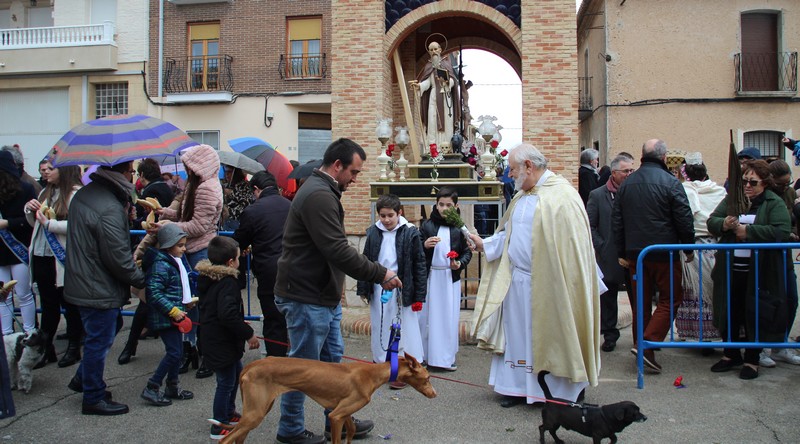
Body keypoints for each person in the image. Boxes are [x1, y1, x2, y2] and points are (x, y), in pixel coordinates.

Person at [273, 138, 401, 444]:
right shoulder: (319, 195)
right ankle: (290, 429)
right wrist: (379, 273)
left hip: (320, 296)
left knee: (331, 366)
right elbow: (337, 249)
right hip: (306, 296)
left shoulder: (324, 191)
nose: (355, 180)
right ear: (337, 165)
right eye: (353, 173)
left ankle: (339, 419)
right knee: (303, 369)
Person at [470, 143, 601, 408]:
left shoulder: (562, 196)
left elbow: (575, 247)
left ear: (529, 166)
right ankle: (518, 388)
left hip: (553, 285)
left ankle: (565, 389)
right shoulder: (521, 196)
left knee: (557, 336)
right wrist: (485, 244)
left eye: (513, 169)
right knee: (518, 337)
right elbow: (509, 235)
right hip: (518, 282)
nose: (509, 175)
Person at [64, 160, 146, 416]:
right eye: (131, 171)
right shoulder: (108, 206)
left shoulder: (88, 194)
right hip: (96, 284)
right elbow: (119, 258)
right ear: (121, 173)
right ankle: (93, 396)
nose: (133, 176)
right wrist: (143, 280)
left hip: (83, 278)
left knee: (111, 328)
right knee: (99, 340)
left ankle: (85, 379)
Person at [137, 144, 223, 379]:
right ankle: (191, 348)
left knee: (201, 305)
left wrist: (169, 226)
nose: (185, 170)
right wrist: (165, 212)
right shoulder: (198, 186)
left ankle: (206, 354)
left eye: (189, 165)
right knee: (190, 303)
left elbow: (198, 226)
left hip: (199, 252)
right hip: (191, 250)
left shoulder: (206, 188)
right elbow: (188, 214)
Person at [611, 139, 694, 373]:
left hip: (636, 256)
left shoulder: (628, 183)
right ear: (664, 157)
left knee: (641, 303)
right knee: (670, 299)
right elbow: (684, 218)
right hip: (664, 254)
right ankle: (647, 342)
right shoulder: (670, 182)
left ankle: (643, 346)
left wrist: (622, 252)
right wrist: (688, 248)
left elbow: (617, 221)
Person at [707, 159, 792, 380]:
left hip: (759, 273)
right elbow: (712, 221)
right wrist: (723, 224)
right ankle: (730, 354)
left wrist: (749, 232)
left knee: (754, 314)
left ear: (764, 183)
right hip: (731, 270)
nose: (747, 186)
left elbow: (781, 231)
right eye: (744, 181)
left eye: (752, 182)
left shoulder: (773, 203)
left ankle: (752, 360)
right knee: (729, 311)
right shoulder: (732, 199)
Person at [357, 194, 426, 387]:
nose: (386, 220)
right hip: (379, 286)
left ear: (399, 213)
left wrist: (419, 295)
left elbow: (419, 263)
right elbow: (366, 260)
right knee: (380, 324)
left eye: (390, 215)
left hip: (402, 288)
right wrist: (364, 287)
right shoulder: (373, 232)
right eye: (382, 216)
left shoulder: (410, 232)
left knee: (403, 328)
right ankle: (381, 364)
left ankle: (403, 368)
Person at [198, 236, 260, 440]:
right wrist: (248, 334)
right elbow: (227, 315)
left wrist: (240, 324)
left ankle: (229, 411)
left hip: (218, 338)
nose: (240, 259)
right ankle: (218, 424)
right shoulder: (228, 283)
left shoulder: (210, 277)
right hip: (220, 342)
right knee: (225, 382)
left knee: (236, 376)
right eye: (238, 256)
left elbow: (221, 312)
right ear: (230, 263)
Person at [25, 161, 84, 368]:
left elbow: (78, 224)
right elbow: (35, 223)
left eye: (51, 168)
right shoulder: (44, 193)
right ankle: (45, 348)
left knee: (70, 304)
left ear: (63, 170)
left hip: (62, 257)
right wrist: (30, 211)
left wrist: (49, 223)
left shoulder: (76, 193)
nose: (46, 172)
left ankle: (74, 347)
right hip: (42, 253)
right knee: (48, 305)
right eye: (45, 169)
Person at [119, 158, 176, 365]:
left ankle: (133, 344)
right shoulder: (171, 191)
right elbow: (154, 227)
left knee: (151, 301)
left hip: (169, 252)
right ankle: (132, 344)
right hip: (162, 250)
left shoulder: (156, 190)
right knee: (148, 300)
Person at [232, 171, 291, 358]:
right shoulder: (290, 205)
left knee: (274, 321)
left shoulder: (253, 210)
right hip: (294, 268)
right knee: (293, 318)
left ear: (256, 189)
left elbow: (239, 240)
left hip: (268, 272)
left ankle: (276, 363)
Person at [139, 223, 195, 406]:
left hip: (174, 315)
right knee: (174, 353)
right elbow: (154, 293)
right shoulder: (161, 265)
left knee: (176, 352)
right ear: (168, 245)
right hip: (166, 316)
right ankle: (152, 386)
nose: (184, 249)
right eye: (180, 245)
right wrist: (172, 310)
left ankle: (172, 385)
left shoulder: (170, 261)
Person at [673, 157, 726, 345]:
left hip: (693, 245)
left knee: (695, 291)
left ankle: (698, 333)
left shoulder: (685, 190)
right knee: (710, 289)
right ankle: (716, 331)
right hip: (715, 244)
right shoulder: (718, 191)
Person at [418, 187, 471, 371]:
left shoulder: (459, 228)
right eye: (441, 204)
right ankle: (425, 355)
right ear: (436, 204)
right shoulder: (427, 226)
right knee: (427, 317)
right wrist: (424, 245)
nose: (444, 208)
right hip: (432, 276)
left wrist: (459, 264)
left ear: (456, 206)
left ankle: (445, 358)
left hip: (449, 278)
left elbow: (467, 252)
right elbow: (416, 249)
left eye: (449, 205)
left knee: (447, 317)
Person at [587, 154, 635, 352]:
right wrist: (602, 245)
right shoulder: (598, 195)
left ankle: (643, 338)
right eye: (626, 171)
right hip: (609, 255)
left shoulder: (635, 193)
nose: (629, 174)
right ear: (614, 173)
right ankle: (609, 335)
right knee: (608, 298)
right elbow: (589, 225)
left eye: (632, 170)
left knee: (638, 296)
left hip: (632, 253)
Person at [761, 160, 800, 366]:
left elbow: (793, 223)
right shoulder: (763, 196)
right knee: (769, 302)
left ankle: (781, 345)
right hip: (767, 256)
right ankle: (764, 348)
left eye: (788, 183)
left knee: (791, 299)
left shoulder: (790, 194)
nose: (785, 187)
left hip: (784, 254)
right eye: (781, 184)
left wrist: (792, 234)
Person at [0, 150, 36, 337]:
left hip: (18, 247)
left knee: (23, 294)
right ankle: (7, 334)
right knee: (4, 296)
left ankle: (29, 333)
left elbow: (30, 219)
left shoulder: (25, 189)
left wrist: (8, 223)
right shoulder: (25, 187)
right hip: (2, 252)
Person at [410, 40, 460, 149]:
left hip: (445, 96)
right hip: (433, 96)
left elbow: (453, 80)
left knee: (447, 121)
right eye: (431, 50)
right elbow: (428, 82)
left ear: (440, 50)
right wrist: (419, 86)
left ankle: (447, 147)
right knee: (432, 121)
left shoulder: (447, 64)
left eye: (435, 49)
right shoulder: (428, 66)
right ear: (429, 52)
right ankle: (433, 148)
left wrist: (447, 83)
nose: (434, 52)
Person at [221, 166, 254, 231]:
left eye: (230, 172)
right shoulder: (226, 185)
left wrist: (231, 193)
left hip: (236, 222)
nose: (227, 175)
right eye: (226, 172)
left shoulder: (244, 186)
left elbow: (244, 207)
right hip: (223, 221)